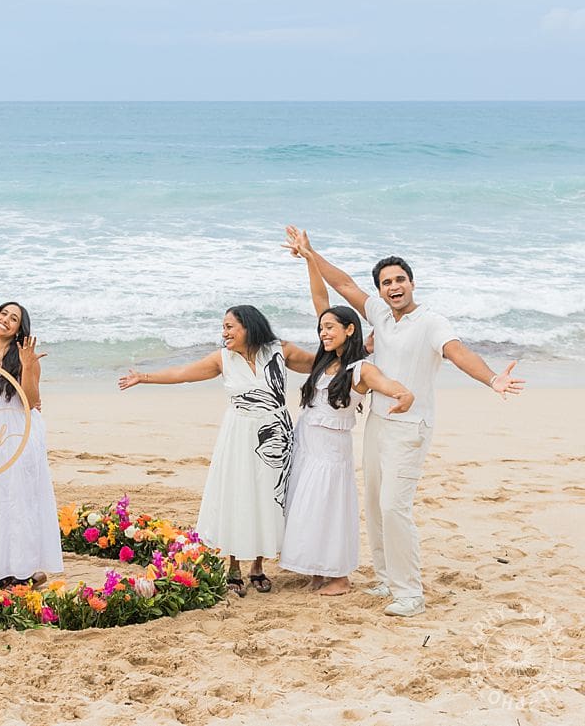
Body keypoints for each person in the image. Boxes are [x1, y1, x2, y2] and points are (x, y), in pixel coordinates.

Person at [283, 226, 524, 617]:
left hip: (411, 427)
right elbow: (342, 284)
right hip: (378, 423)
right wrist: (311, 254)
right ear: (379, 290)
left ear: (412, 283)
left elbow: (457, 352)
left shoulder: (432, 322)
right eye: (385, 282)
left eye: (399, 280)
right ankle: (384, 578)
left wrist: (493, 378)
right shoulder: (379, 313)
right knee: (376, 506)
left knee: (395, 508)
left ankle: (409, 592)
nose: (393, 287)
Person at [119, 306, 313, 596]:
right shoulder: (222, 359)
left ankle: (257, 566)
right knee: (238, 494)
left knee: (269, 496)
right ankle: (233, 566)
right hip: (239, 434)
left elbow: (319, 363)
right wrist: (144, 377)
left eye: (229, 326)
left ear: (248, 326)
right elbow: (183, 373)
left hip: (275, 432)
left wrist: (357, 350)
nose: (224, 333)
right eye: (223, 327)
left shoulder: (279, 350)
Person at [279, 252, 414, 596]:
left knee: (327, 507)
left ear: (349, 330)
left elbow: (386, 383)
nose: (324, 332)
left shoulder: (359, 369)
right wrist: (308, 259)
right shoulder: (322, 362)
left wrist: (402, 394)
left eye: (330, 328)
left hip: (331, 450)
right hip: (306, 442)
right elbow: (321, 299)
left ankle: (339, 576)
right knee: (304, 504)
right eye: (321, 328)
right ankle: (317, 569)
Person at [0, 302, 62, 587]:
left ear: (20, 328)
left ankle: (23, 569)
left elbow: (31, 401)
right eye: (3, 313)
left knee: (18, 502)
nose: (6, 319)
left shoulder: (22, 356)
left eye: (14, 318)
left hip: (17, 437)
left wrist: (30, 366)